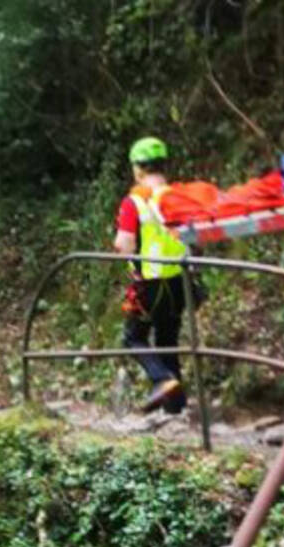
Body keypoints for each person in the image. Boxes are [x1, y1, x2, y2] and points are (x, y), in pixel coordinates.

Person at [114, 136, 189, 414]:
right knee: (168, 340)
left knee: (132, 338)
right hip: (180, 282)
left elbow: (125, 245)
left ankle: (162, 379)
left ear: (138, 169)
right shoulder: (177, 196)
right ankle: (176, 409)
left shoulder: (134, 202)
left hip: (150, 285)